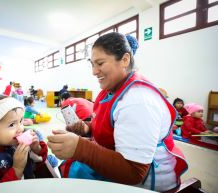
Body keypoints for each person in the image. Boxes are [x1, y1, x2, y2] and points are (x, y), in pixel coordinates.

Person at [47, 32, 187, 192]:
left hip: (146, 184)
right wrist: (87, 128)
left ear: (125, 60)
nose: (94, 71)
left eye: (100, 63)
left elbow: (135, 173)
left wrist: (81, 149)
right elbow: (111, 124)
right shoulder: (112, 89)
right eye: (92, 64)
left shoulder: (138, 100)